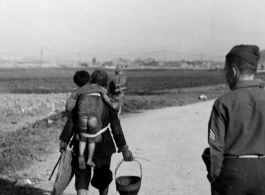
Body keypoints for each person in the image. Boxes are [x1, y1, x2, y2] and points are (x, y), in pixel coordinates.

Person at [202, 45, 265, 195]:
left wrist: (214, 176)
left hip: (232, 173)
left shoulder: (222, 103)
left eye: (225, 71)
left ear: (233, 72)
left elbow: (215, 146)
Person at [59, 69, 133, 195]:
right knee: (103, 176)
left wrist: (64, 140)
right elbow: (116, 127)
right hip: (102, 146)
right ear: (105, 84)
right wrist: (123, 147)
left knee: (81, 175)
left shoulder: (82, 97)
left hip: (81, 142)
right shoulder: (108, 101)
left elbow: (71, 121)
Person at [66, 70, 118, 169]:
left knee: (83, 138)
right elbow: (107, 99)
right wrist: (113, 105)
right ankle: (89, 160)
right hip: (93, 119)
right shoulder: (100, 89)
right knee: (91, 140)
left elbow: (69, 106)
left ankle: (81, 156)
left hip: (82, 118)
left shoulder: (79, 91)